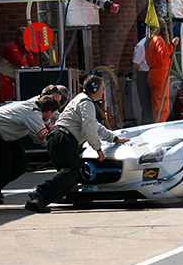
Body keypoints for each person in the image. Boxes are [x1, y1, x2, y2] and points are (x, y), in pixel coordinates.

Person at [25, 75, 129, 213]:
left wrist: (114, 138)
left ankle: (39, 201)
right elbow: (88, 128)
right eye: (102, 88)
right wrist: (98, 149)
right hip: (63, 137)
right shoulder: (86, 102)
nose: (103, 91)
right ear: (95, 88)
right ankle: (38, 193)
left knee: (70, 177)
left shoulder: (83, 100)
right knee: (71, 172)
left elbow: (95, 126)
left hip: (61, 137)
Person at [145, 18, 180, 122]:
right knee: (162, 104)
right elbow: (162, 55)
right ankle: (160, 123)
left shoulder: (151, 40)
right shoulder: (158, 40)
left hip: (154, 73)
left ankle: (158, 122)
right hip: (160, 74)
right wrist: (172, 45)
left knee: (157, 102)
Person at [0, 26, 39, 103]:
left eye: (25, 36)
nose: (23, 38)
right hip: (4, 83)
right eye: (21, 35)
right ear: (16, 36)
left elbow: (33, 64)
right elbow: (23, 66)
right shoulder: (11, 48)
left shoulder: (25, 49)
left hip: (13, 83)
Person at [132, 36, 154, 125]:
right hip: (153, 74)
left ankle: (148, 123)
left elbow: (136, 63)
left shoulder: (142, 45)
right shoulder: (159, 42)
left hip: (145, 75)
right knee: (151, 103)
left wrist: (134, 74)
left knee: (146, 103)